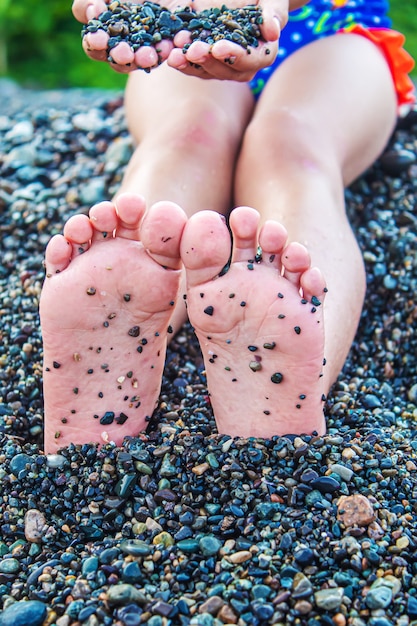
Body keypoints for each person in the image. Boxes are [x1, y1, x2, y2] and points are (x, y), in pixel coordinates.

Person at [39, 0, 415, 453]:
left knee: (291, 148)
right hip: (182, 32)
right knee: (192, 137)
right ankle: (120, 309)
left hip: (334, 33)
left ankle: (290, 374)